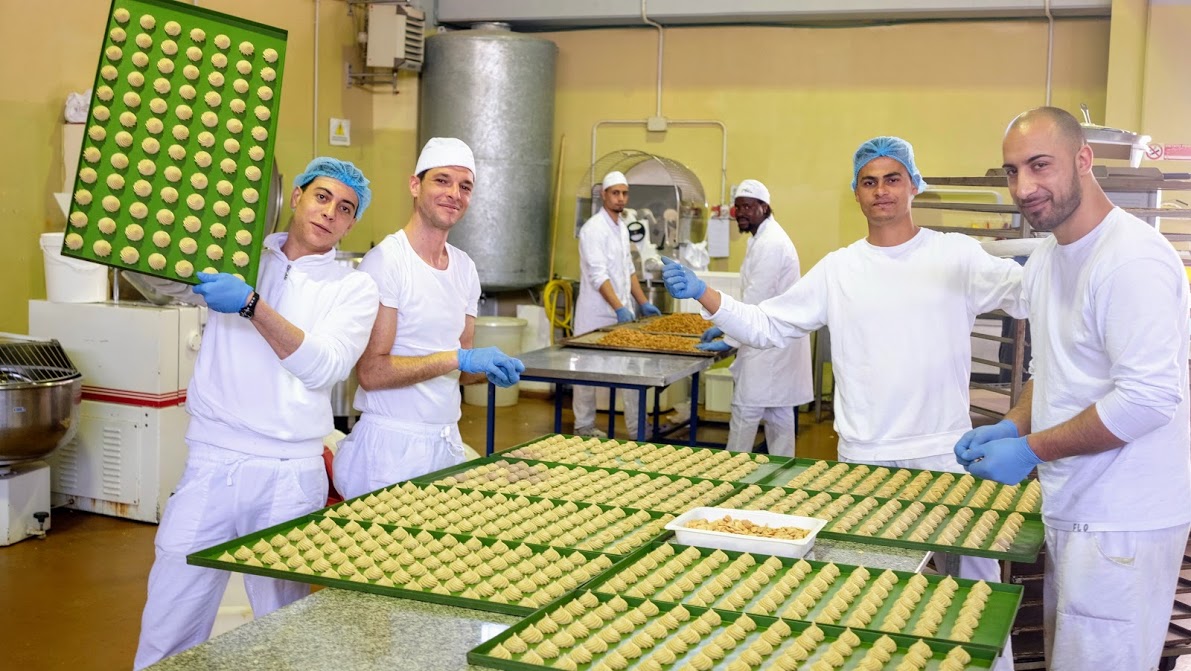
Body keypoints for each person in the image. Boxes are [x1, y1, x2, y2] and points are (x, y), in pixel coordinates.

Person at [663, 136, 1023, 671]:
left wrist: (1066, 255)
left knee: (978, 594)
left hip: (947, 453)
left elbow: (1033, 294)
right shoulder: (840, 269)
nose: (881, 191)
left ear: (914, 185)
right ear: (856, 192)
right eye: (869, 181)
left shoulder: (956, 255)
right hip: (866, 457)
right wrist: (705, 295)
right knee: (876, 600)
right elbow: (767, 324)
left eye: (893, 178)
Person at [955, 106, 1190, 670]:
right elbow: (1052, 370)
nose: (1024, 187)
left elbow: (1147, 401)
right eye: (1012, 171)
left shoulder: (1131, 259)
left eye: (1041, 165)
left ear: (1084, 160)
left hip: (1122, 521)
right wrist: (1012, 424)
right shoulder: (1049, 257)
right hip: (1077, 505)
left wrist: (1031, 450)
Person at [133, 158, 380, 669]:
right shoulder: (238, 256)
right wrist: (143, 219)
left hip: (291, 476)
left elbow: (324, 366)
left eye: (345, 208)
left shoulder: (353, 289)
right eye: (322, 197)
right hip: (213, 463)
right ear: (297, 196)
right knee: (170, 617)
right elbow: (158, 278)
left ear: (351, 224)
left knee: (282, 632)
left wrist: (252, 305)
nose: (330, 212)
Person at [333, 138, 524, 500]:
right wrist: (458, 359)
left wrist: (488, 370)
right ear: (415, 185)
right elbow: (371, 373)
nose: (454, 194)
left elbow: (461, 369)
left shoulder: (464, 268)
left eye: (465, 186)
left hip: (446, 442)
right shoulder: (388, 261)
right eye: (442, 180)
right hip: (389, 449)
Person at [698, 180, 811, 456]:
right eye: (738, 207)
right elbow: (752, 294)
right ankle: (783, 470)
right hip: (773, 341)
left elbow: (755, 298)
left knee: (746, 410)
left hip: (770, 343)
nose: (742, 213)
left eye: (748, 207)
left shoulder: (771, 243)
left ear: (764, 207)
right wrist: (723, 327)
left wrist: (729, 337)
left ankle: (731, 472)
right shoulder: (760, 238)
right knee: (778, 413)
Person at [572, 171, 663, 438]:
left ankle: (638, 429)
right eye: (615, 193)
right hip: (596, 316)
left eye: (624, 193)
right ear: (604, 195)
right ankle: (583, 425)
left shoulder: (622, 228)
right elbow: (598, 276)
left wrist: (642, 302)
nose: (621, 198)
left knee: (632, 370)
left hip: (623, 314)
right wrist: (618, 308)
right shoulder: (592, 230)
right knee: (586, 372)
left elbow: (628, 270)